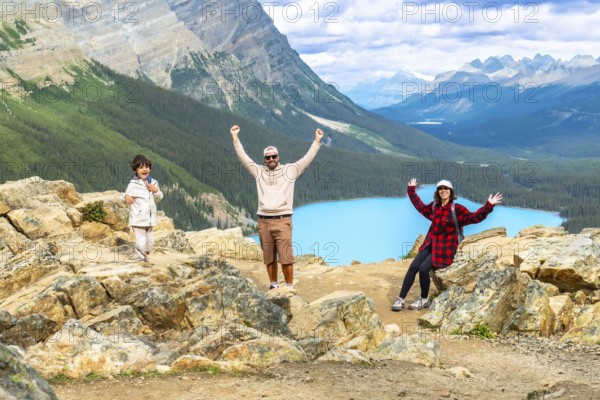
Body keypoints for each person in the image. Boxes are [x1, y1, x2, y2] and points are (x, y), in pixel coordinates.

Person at [230, 124, 324, 289]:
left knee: (286, 256)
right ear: (264, 159)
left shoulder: (290, 171)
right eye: (268, 157)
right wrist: (235, 138)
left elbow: (307, 159)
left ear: (278, 157)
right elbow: (244, 158)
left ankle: (289, 287)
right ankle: (273, 284)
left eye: (274, 156)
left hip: (283, 220)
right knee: (269, 257)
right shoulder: (258, 172)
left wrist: (317, 141)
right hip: (264, 221)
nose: (271, 159)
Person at [392, 178, 503, 311]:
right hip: (431, 244)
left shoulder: (457, 209)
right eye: (440, 189)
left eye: (446, 189)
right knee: (413, 267)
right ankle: (400, 299)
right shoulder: (434, 206)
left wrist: (488, 206)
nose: (443, 191)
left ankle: (424, 299)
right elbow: (420, 207)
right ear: (438, 192)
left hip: (445, 249)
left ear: (450, 192)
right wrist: (411, 191)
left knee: (423, 269)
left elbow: (474, 218)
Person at [122, 154, 164, 266]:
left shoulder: (154, 182)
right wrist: (127, 197)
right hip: (138, 218)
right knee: (141, 243)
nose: (144, 169)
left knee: (150, 244)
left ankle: (144, 256)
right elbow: (125, 194)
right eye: (141, 167)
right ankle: (141, 260)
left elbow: (159, 198)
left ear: (150, 168)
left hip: (150, 219)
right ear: (135, 170)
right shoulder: (133, 184)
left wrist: (156, 191)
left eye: (147, 167)